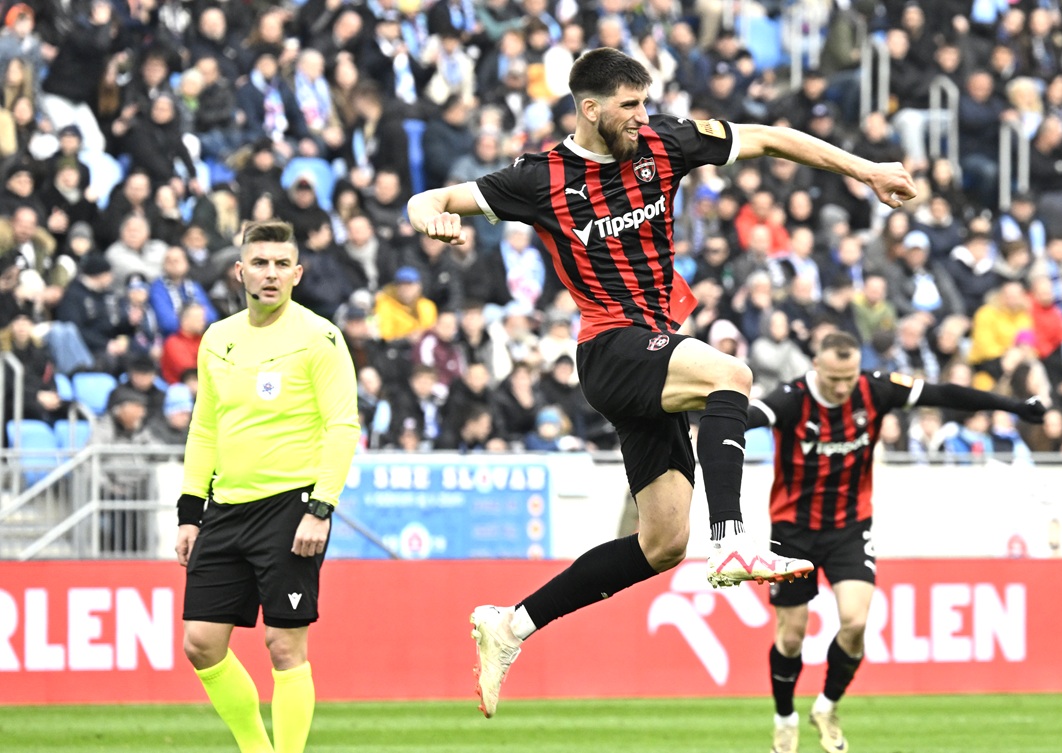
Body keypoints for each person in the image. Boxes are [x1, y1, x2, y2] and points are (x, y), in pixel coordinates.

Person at [405, 46, 916, 717]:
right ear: (590, 110)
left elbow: (767, 138)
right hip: (610, 348)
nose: (643, 116)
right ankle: (734, 540)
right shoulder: (541, 178)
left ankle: (511, 625)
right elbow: (428, 197)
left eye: (646, 102)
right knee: (731, 373)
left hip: (654, 351)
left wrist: (866, 169)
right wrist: (431, 217)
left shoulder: (663, 142)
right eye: (629, 105)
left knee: (663, 543)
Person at [748, 331, 1045, 753]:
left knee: (854, 622)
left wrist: (1012, 406)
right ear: (817, 367)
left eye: (848, 377)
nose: (842, 387)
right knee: (792, 635)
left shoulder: (875, 388)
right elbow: (747, 415)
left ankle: (827, 706)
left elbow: (944, 393)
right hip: (792, 529)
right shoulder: (791, 399)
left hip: (850, 525)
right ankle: (784, 717)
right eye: (833, 378)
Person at [173, 220, 359, 753]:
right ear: (241, 271)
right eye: (260, 263)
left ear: (297, 273)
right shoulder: (218, 338)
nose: (270, 274)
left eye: (281, 265)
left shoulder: (319, 337)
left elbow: (343, 427)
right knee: (201, 645)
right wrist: (190, 511)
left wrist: (320, 509)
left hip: (291, 508)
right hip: (225, 509)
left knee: (284, 646)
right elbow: (204, 427)